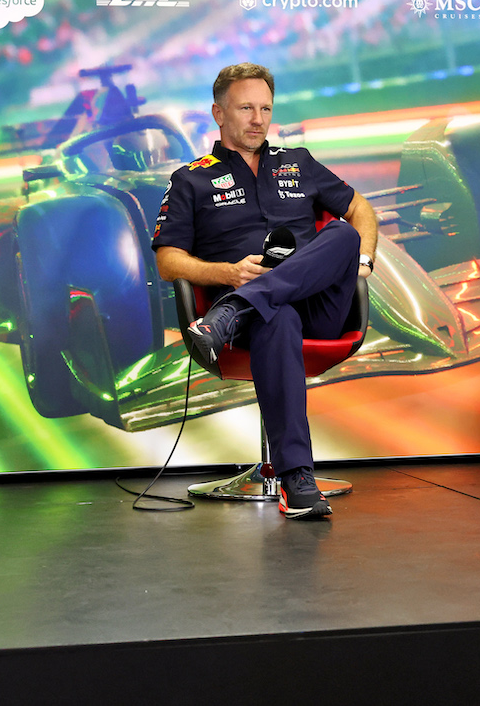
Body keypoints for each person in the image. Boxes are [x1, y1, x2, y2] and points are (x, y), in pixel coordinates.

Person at [152, 63, 378, 519]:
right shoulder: (190, 179)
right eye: (246, 108)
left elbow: (361, 212)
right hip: (261, 321)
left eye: (266, 108)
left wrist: (363, 264)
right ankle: (297, 480)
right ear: (218, 112)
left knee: (343, 236)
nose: (258, 119)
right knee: (278, 317)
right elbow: (167, 261)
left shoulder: (299, 162)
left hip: (320, 305)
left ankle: (233, 312)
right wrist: (228, 275)